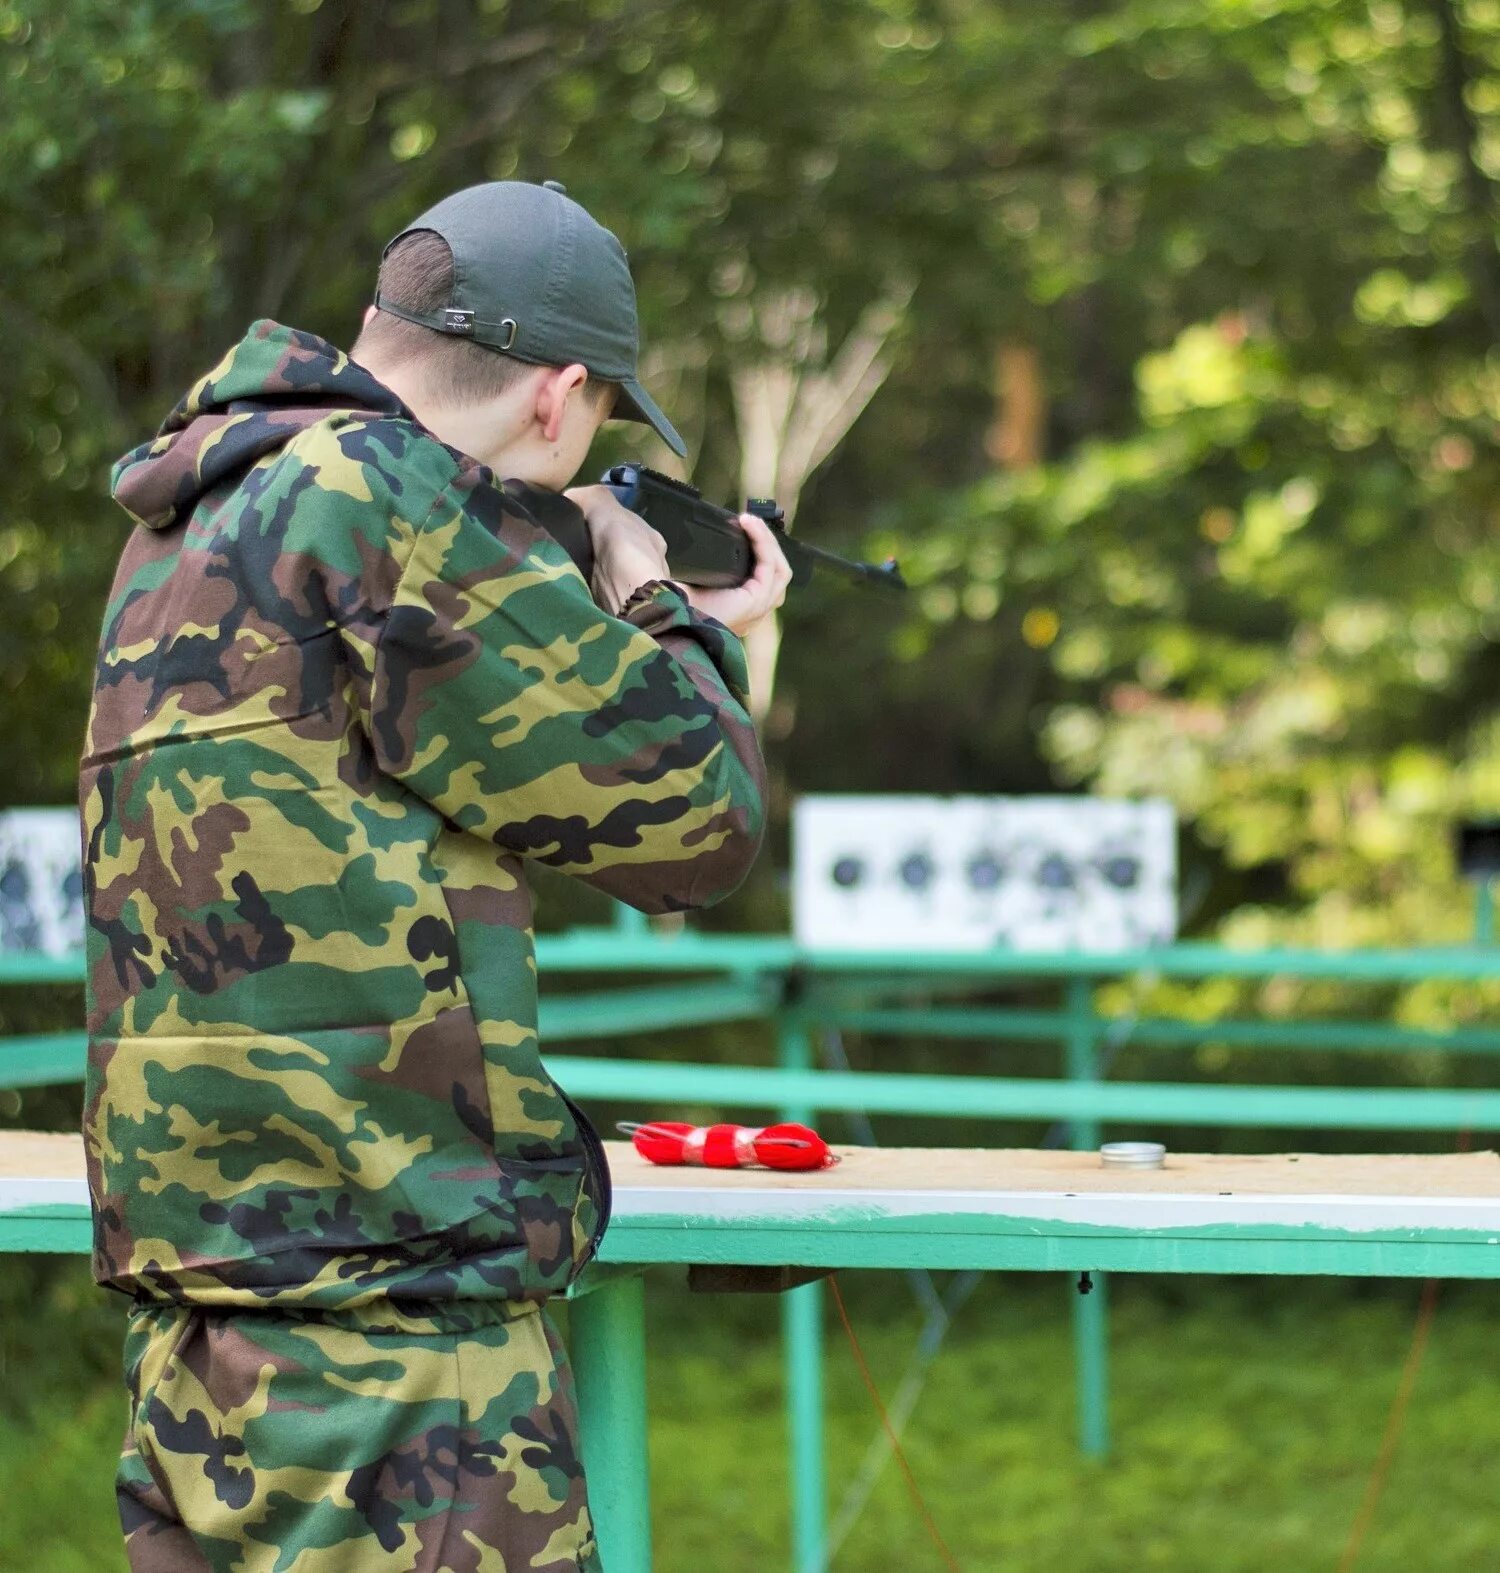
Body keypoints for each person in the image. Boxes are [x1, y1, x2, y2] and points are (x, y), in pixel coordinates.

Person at [78, 177, 790, 1573]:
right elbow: (701, 825)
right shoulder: (390, 501)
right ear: (559, 397)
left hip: (198, 1334)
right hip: (395, 1353)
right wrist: (660, 605)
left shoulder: (180, 520)